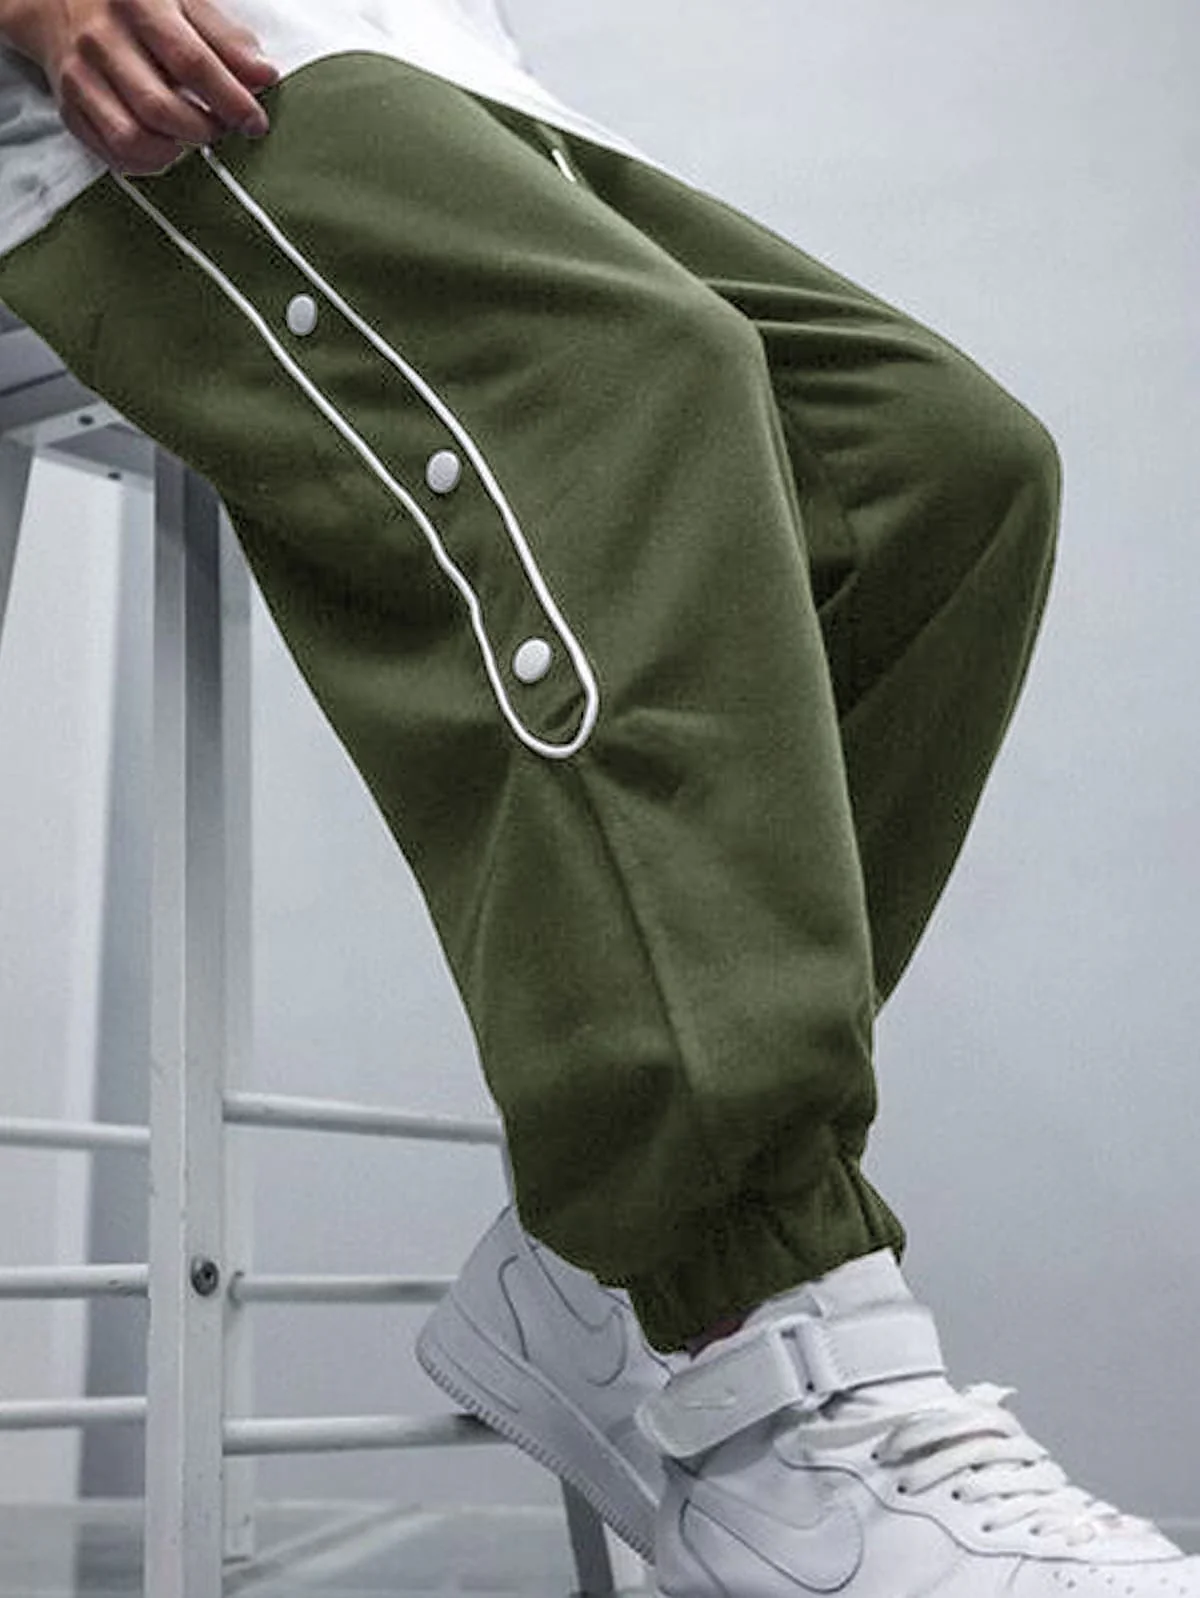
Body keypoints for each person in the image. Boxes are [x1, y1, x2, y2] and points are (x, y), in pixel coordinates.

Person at [0, 3, 1193, 1593]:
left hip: (419, 54)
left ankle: (598, 1260)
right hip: (139, 84)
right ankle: (751, 1355)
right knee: (632, 387)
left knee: (946, 471)